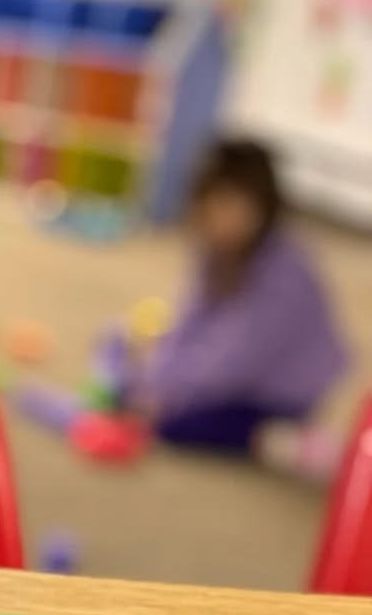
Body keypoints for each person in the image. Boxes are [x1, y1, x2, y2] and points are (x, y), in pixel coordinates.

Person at [120, 140, 349, 458]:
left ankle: (282, 440)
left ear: (264, 210)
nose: (224, 220)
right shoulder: (214, 252)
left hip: (282, 390)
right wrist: (156, 379)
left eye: (238, 208)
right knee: (132, 381)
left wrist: (170, 394)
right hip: (234, 374)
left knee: (177, 425)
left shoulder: (284, 271)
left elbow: (238, 361)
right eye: (216, 206)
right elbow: (190, 319)